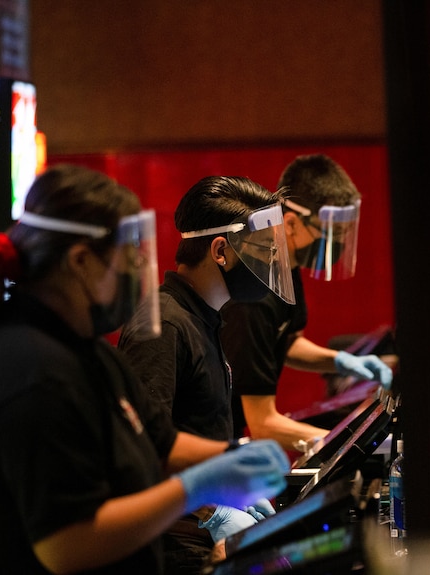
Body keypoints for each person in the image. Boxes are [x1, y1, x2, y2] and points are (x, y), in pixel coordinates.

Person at [0, 165, 289, 574]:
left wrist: (233, 458)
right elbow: (66, 545)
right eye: (127, 257)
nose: (138, 268)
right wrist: (197, 490)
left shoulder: (86, 353)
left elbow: (159, 442)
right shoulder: (29, 371)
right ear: (81, 262)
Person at [117, 175, 296, 574]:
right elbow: (141, 455)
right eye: (263, 251)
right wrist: (213, 511)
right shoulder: (162, 327)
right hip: (177, 546)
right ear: (221, 251)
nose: (270, 264)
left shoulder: (205, 320)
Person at [221, 154, 393, 450]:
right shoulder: (253, 293)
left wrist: (340, 362)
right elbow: (263, 424)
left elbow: (284, 341)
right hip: (207, 441)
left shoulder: (286, 265)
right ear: (290, 224)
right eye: (333, 234)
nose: (338, 244)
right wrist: (347, 444)